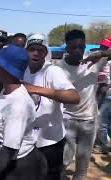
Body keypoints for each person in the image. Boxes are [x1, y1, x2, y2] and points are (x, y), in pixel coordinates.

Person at [0, 45, 47, 180]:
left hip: (20, 166)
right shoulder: (7, 90)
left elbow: (10, 149)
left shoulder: (18, 105)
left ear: (6, 70)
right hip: (7, 159)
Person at [23, 33, 80, 180]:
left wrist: (35, 89)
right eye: (32, 49)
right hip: (28, 141)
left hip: (50, 142)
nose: (36, 53)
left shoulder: (52, 71)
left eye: (40, 50)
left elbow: (74, 97)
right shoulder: (24, 70)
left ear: (45, 53)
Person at [54, 29, 107, 180]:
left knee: (83, 165)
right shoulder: (58, 68)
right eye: (73, 47)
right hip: (66, 120)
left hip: (89, 121)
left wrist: (102, 54)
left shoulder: (94, 62)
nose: (78, 50)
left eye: (81, 47)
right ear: (67, 47)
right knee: (64, 161)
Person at [94, 36, 111, 154]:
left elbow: (105, 81)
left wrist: (106, 86)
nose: (102, 49)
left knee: (102, 121)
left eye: (105, 47)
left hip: (107, 94)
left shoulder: (108, 62)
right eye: (102, 46)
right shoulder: (101, 60)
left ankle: (103, 145)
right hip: (102, 91)